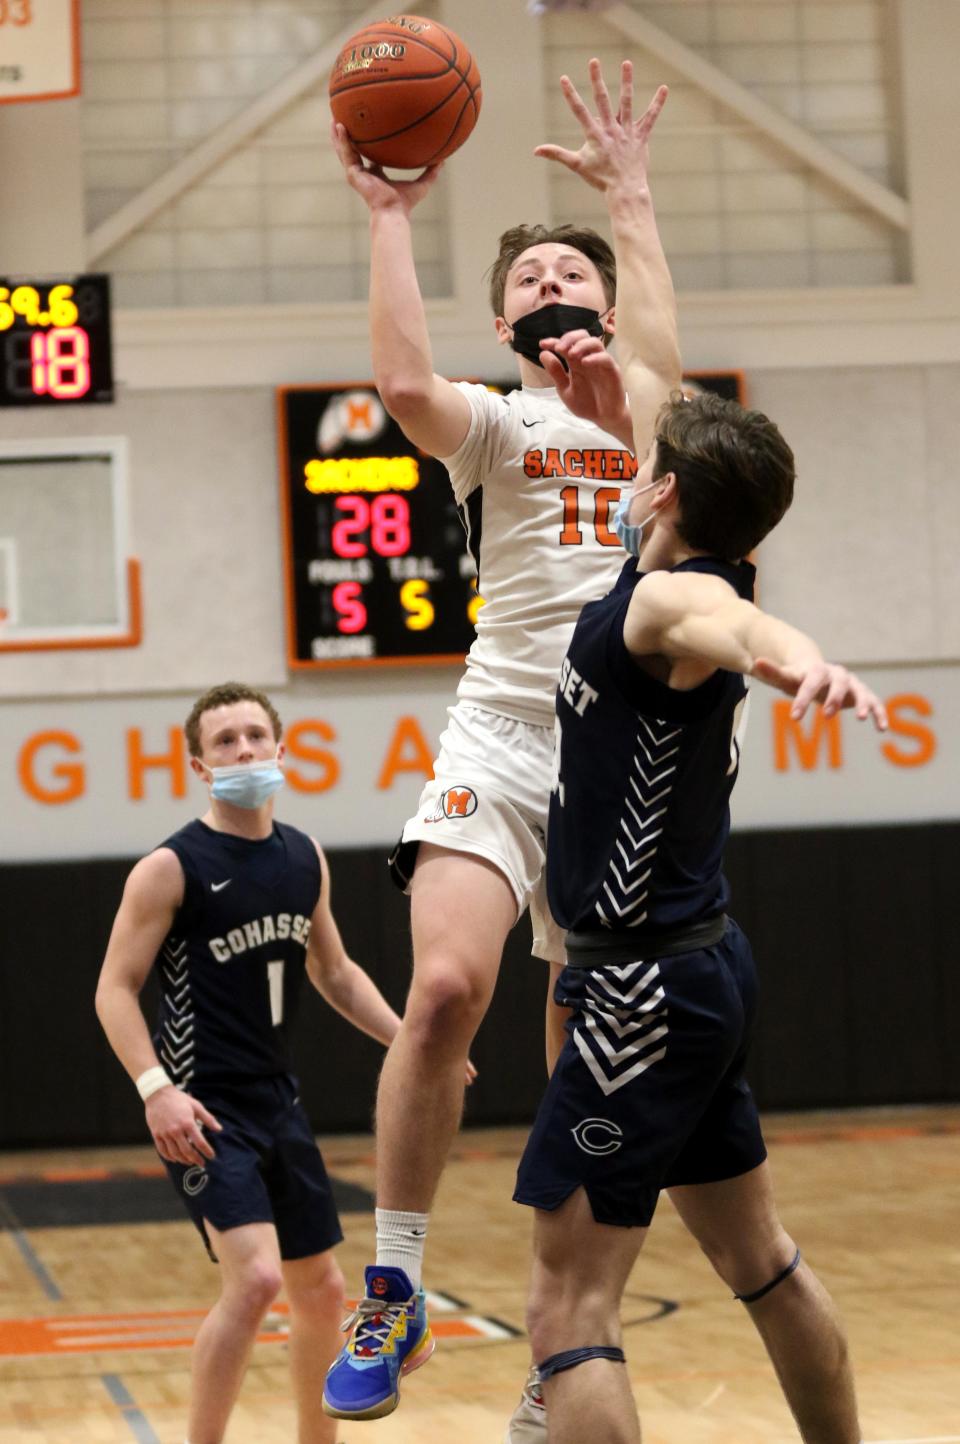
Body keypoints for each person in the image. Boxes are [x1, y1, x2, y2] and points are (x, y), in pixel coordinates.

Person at [510, 105, 889, 1444]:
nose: (634, 439)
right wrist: (631, 197)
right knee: (759, 1258)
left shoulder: (671, 608)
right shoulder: (677, 549)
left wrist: (803, 662)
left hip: (636, 990)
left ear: (658, 492)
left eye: (646, 453)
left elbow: (744, 630)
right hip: (702, 969)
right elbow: (661, 358)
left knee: (568, 1307)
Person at [322, 59, 681, 1423]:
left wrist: (631, 205)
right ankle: (396, 1282)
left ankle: (556, 1342)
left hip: (626, 765)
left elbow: (673, 396)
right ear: (506, 317)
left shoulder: (656, 418)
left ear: (602, 294)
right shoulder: (499, 421)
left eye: (562, 271)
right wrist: (388, 210)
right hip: (502, 733)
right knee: (444, 994)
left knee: (580, 1060)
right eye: (522, 278)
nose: (543, 286)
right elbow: (402, 376)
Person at [95, 681, 404, 1444]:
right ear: (197, 763)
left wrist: (411, 1041)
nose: (242, 750)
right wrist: (154, 1091)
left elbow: (334, 972)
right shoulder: (170, 867)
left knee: (323, 1289)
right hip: (202, 1106)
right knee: (258, 1278)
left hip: (278, 1101)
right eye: (224, 740)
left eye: (254, 736)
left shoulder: (304, 855)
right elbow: (113, 990)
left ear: (281, 749)